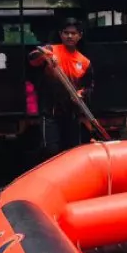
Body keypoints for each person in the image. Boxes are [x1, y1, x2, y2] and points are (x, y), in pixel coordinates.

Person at [29, 18, 95, 157]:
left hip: (72, 114)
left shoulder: (84, 62)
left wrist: (81, 94)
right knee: (50, 150)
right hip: (50, 111)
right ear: (61, 34)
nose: (69, 36)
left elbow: (89, 87)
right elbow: (32, 60)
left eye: (73, 33)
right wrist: (42, 55)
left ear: (80, 35)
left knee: (72, 151)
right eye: (66, 33)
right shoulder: (51, 50)